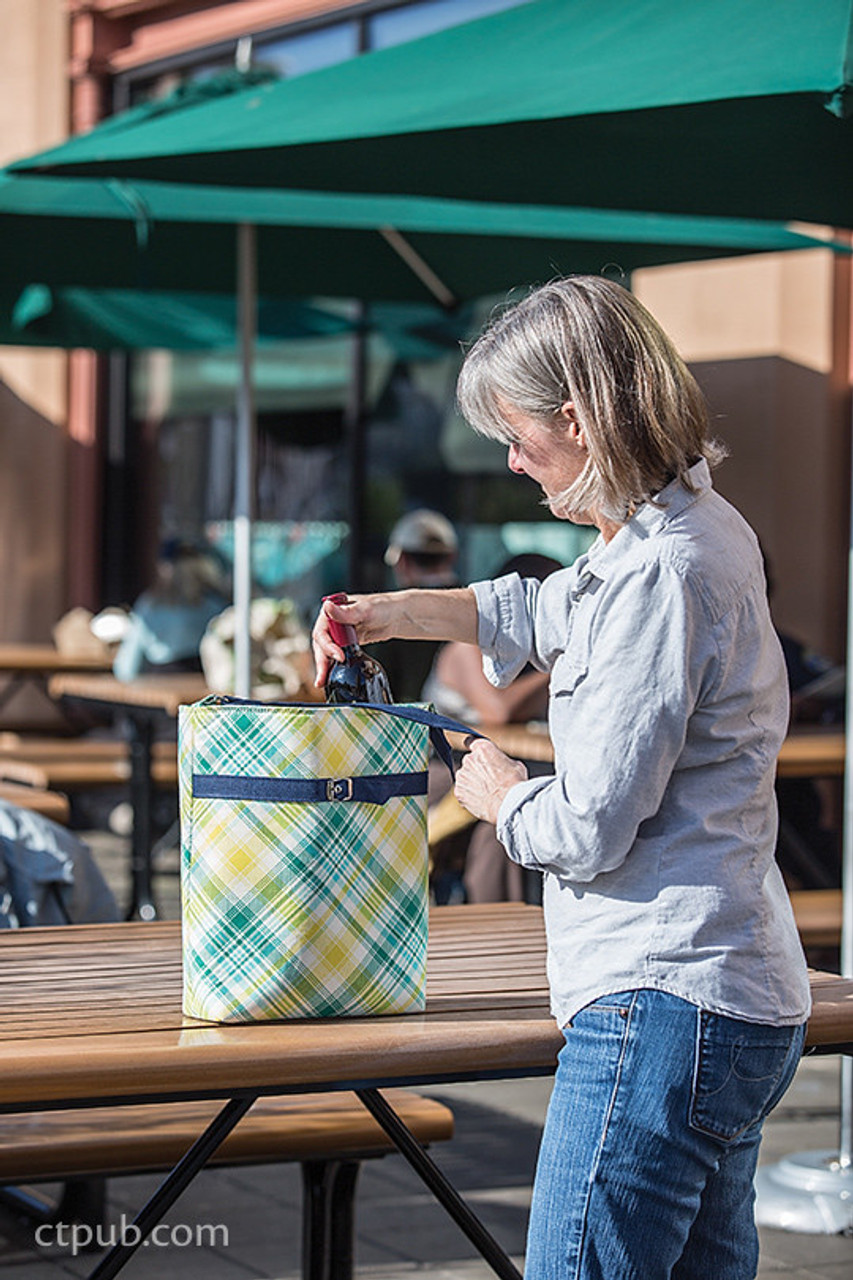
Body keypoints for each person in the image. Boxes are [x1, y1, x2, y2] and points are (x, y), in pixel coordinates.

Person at [313, 275, 810, 1280]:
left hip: (658, 998)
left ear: (578, 419)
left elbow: (586, 827)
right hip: (730, 990)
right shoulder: (689, 530)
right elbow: (553, 608)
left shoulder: (658, 572)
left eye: (518, 432)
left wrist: (498, 791)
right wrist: (400, 611)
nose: (508, 457)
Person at [422, 551, 561, 904]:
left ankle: (520, 927)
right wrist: (563, 664)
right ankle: (498, 923)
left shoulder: (529, 661)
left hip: (502, 765)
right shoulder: (467, 647)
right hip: (444, 770)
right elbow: (497, 710)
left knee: (518, 816)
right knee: (498, 827)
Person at [368, 508, 459, 702]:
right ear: (451, 556)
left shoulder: (391, 616)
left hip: (413, 725)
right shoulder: (475, 605)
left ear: (401, 561)